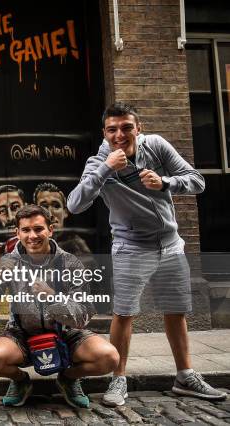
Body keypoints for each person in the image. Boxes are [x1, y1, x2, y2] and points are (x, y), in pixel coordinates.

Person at [67, 102, 227, 406]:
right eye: (112, 129)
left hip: (170, 245)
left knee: (175, 310)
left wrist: (165, 182)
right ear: (105, 132)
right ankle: (118, 379)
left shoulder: (156, 146)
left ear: (138, 128)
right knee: (124, 313)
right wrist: (105, 169)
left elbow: (197, 180)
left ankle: (185, 376)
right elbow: (75, 204)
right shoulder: (99, 161)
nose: (120, 134)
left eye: (127, 127)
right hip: (130, 247)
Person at [0, 205, 119, 408]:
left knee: (109, 358)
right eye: (25, 230)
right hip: (22, 335)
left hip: (67, 335)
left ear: (51, 230)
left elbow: (83, 315)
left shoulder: (71, 263)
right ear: (17, 233)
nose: (32, 236)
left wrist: (52, 297)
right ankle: (21, 382)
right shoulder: (8, 262)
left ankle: (68, 378)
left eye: (38, 229)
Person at [33, 182, 92, 257]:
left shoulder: (77, 246)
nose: (50, 214)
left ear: (65, 212)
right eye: (44, 207)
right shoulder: (25, 245)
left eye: (56, 206)